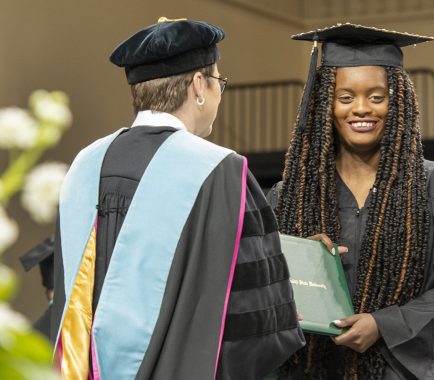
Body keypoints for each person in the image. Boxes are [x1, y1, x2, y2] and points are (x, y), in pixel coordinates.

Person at [50, 18, 304, 379]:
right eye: (219, 82)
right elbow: (255, 323)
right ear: (199, 84)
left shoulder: (84, 164)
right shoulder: (220, 172)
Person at [266, 23, 434, 379]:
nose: (361, 109)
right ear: (326, 105)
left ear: (397, 102)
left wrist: (384, 324)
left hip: (396, 370)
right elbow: (260, 288)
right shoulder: (292, 197)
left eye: (377, 97)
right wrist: (302, 261)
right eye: (345, 97)